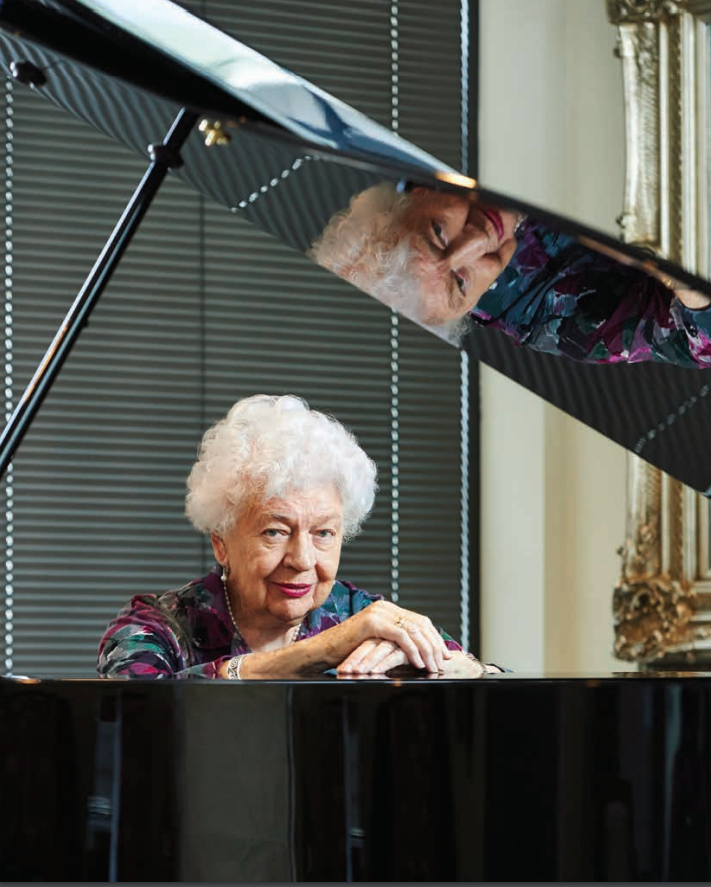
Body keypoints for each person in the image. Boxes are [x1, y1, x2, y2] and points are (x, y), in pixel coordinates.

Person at [97, 394, 499, 680]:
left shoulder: (362, 615)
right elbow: (138, 708)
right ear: (221, 541)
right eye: (275, 532)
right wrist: (322, 651)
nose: (303, 559)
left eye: (323, 533)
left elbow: (494, 682)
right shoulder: (158, 627)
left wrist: (443, 666)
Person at [310, 181, 711, 367]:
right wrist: (662, 260)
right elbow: (695, 336)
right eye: (461, 284)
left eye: (438, 233)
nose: (474, 246)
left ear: (418, 194)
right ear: (462, 313)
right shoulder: (551, 318)